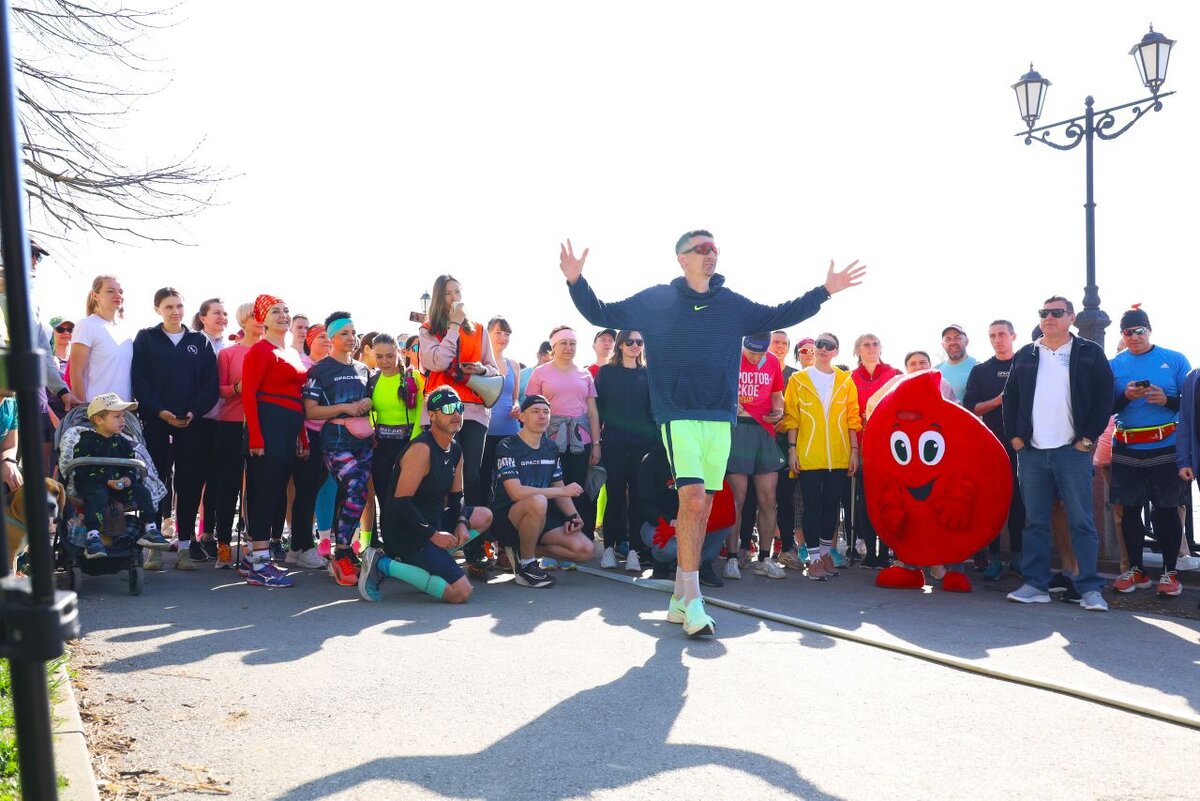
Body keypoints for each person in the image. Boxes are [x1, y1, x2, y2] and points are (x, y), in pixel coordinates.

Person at [562, 230, 865, 635]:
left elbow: (780, 313)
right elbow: (602, 313)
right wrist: (575, 282)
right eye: (701, 249)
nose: (710, 255)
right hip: (678, 414)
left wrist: (825, 290)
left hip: (720, 418)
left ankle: (679, 598)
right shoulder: (657, 300)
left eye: (715, 249)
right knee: (689, 498)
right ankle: (694, 599)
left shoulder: (731, 304)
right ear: (682, 258)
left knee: (702, 505)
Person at [1003, 296, 1113, 611]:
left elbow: (1105, 397)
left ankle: (1089, 588)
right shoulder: (1026, 354)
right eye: (1044, 313)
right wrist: (1015, 438)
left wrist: (1089, 439)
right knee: (1035, 522)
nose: (1049, 317)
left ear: (1071, 317)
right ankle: (1035, 584)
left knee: (1082, 521)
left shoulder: (1089, 353)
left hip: (1072, 451)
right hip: (1033, 452)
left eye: (1056, 312)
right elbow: (1010, 397)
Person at [360, 386, 493, 603]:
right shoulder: (421, 450)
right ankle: (384, 564)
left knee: (484, 516)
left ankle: (430, 564)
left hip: (432, 521)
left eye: (459, 407)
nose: (456, 413)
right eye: (448, 408)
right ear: (431, 415)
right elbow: (400, 504)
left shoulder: (455, 449)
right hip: (405, 533)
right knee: (461, 593)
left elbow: (458, 495)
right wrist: (433, 536)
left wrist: (460, 522)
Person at [131, 288, 219, 570]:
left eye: (179, 306)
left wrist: (193, 411)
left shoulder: (199, 341)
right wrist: (160, 411)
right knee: (156, 482)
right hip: (156, 422)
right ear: (158, 309)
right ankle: (154, 547)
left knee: (190, 481)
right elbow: (140, 381)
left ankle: (183, 545)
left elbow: (210, 385)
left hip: (192, 424)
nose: (175, 311)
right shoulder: (146, 338)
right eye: (169, 306)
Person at [1107, 306, 1190, 598]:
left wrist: (1165, 399)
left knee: (1166, 509)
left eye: (1139, 331)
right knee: (1128, 510)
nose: (1133, 337)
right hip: (1127, 445)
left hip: (1165, 444)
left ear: (1149, 330)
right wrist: (1125, 397)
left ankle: (1170, 572)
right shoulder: (1114, 364)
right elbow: (1106, 406)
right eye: (1127, 332)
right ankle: (1137, 570)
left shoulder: (1174, 359)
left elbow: (1190, 403)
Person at [419, 274, 499, 574]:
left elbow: (492, 368)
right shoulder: (428, 330)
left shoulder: (478, 330)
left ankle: (474, 547)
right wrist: (453, 327)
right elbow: (436, 363)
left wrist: (480, 367)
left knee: (472, 476)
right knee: (439, 476)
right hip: (440, 411)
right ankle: (438, 542)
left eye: (458, 292)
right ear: (440, 298)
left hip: (474, 410)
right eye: (449, 293)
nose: (455, 297)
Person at [490, 394, 597, 587]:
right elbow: (517, 493)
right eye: (535, 412)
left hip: (538, 518)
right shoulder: (507, 446)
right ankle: (526, 566)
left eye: (546, 412)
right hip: (507, 518)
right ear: (521, 417)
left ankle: (523, 550)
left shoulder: (551, 446)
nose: (542, 416)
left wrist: (573, 515)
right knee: (538, 500)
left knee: (586, 549)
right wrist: (563, 492)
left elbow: (558, 484)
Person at [241, 294, 307, 588]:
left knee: (277, 492)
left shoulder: (292, 353)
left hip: (287, 429)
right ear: (262, 320)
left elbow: (298, 399)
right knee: (264, 492)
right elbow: (249, 394)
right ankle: (258, 564)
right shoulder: (259, 351)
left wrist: (301, 434)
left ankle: (255, 559)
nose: (283, 315)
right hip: (266, 426)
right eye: (275, 311)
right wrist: (256, 435)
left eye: (286, 310)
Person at [783, 332, 861, 581]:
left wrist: (854, 452)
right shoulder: (798, 380)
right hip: (808, 454)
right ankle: (814, 558)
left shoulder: (845, 381)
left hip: (838, 455)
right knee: (811, 506)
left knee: (831, 507)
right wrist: (792, 448)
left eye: (830, 346)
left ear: (836, 351)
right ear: (814, 348)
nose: (824, 348)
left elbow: (852, 419)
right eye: (820, 344)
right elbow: (792, 418)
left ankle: (826, 553)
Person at [303, 311, 373, 586]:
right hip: (334, 440)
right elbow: (310, 410)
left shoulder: (363, 368)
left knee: (359, 494)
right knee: (355, 486)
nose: (351, 338)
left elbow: (371, 400)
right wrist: (345, 407)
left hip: (364, 441)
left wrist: (367, 405)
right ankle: (341, 552)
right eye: (344, 333)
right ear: (331, 337)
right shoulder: (320, 370)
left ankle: (346, 550)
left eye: (353, 333)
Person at [525, 325, 602, 567]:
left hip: (581, 441)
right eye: (563, 344)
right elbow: (530, 406)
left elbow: (592, 411)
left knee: (578, 489)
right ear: (553, 347)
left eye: (572, 343)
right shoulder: (540, 373)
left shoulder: (585, 374)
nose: (568, 348)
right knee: (551, 490)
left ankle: (576, 544)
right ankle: (550, 549)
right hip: (550, 440)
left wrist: (597, 444)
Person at [72, 393, 171, 559]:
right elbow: (82, 472)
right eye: (117, 416)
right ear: (98, 420)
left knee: (142, 491)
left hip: (120, 487)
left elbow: (131, 467)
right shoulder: (85, 442)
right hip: (95, 485)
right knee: (96, 494)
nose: (123, 420)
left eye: (123, 416)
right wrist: (107, 481)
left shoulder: (123, 442)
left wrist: (128, 479)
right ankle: (93, 536)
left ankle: (151, 528)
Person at [963, 320, 1025, 580]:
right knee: (993, 505)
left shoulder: (1025, 364)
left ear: (1013, 335)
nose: (997, 339)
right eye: (992, 336)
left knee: (1020, 505)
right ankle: (995, 559)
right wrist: (1000, 400)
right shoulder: (981, 370)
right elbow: (970, 407)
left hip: (1023, 446)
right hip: (992, 447)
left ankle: (1019, 559)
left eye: (1002, 334)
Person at [724, 333, 787, 580]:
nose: (756, 357)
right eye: (752, 352)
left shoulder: (771, 361)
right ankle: (731, 557)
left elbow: (776, 394)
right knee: (737, 499)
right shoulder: (731, 358)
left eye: (760, 352)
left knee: (768, 499)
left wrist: (779, 410)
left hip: (764, 432)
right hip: (736, 430)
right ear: (743, 345)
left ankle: (764, 558)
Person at [596, 329, 656, 572]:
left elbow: (653, 411)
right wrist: (596, 444)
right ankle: (609, 548)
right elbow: (598, 410)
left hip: (643, 445)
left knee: (639, 498)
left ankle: (634, 551)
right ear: (620, 345)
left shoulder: (648, 374)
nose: (635, 345)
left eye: (639, 342)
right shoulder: (606, 373)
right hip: (614, 443)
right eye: (630, 341)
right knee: (615, 496)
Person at [637, 444, 730, 585]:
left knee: (724, 520)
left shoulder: (698, 460)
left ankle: (703, 564)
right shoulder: (651, 461)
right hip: (660, 523)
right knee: (668, 548)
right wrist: (669, 521)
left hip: (692, 519)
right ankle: (662, 563)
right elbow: (644, 504)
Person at [366, 333, 423, 554]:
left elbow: (420, 411)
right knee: (383, 496)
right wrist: (370, 432)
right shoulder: (372, 380)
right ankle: (389, 545)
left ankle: (410, 545)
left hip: (407, 445)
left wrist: (415, 443)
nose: (384, 361)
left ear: (398, 353)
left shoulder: (413, 377)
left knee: (407, 497)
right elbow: (370, 411)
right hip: (381, 445)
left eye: (390, 356)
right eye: (379, 356)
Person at [849, 333, 902, 570]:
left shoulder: (894, 375)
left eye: (875, 344)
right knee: (866, 501)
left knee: (891, 500)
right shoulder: (849, 378)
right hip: (861, 447)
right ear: (857, 350)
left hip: (889, 448)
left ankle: (889, 551)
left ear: (881, 348)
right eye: (865, 345)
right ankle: (871, 553)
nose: (871, 348)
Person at [212, 302, 258, 569]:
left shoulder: (272, 352)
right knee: (227, 486)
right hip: (230, 423)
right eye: (254, 316)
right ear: (243, 321)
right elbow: (220, 389)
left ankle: (254, 545)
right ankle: (223, 546)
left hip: (260, 425)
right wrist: (238, 387)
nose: (259, 321)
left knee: (256, 487)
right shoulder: (228, 353)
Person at [192, 298, 229, 556]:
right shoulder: (193, 344)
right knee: (194, 480)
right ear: (203, 317)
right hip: (198, 420)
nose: (222, 317)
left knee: (218, 480)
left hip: (224, 420)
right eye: (216, 313)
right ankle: (187, 536)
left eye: (225, 313)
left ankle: (208, 534)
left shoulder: (230, 347)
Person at [480, 317, 522, 516]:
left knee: (508, 483)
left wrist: (516, 406)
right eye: (498, 332)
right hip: (483, 433)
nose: (503, 337)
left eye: (507, 333)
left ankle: (505, 531)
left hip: (509, 432)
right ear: (488, 333)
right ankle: (481, 534)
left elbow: (515, 398)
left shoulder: (513, 365)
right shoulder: (479, 362)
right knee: (481, 482)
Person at [70, 275, 133, 402]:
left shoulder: (127, 329)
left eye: (120, 291)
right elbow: (76, 372)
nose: (118, 295)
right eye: (110, 291)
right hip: (97, 415)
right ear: (95, 295)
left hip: (125, 412)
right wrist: (83, 410)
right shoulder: (86, 325)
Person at [934, 324, 978, 403]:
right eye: (948, 339)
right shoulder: (936, 370)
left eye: (957, 338)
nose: (952, 342)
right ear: (943, 344)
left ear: (966, 341)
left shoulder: (979, 367)